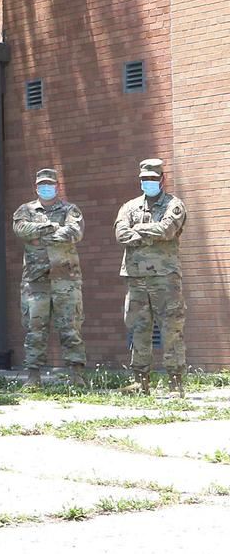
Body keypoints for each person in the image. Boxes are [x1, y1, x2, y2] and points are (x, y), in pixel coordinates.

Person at [114, 158, 187, 395]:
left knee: (171, 328)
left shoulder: (173, 205)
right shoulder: (129, 207)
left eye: (153, 179)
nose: (148, 182)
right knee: (138, 328)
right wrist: (148, 232)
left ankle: (176, 382)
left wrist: (138, 230)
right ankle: (140, 382)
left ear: (162, 179)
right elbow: (120, 234)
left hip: (164, 278)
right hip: (136, 279)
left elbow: (167, 230)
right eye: (144, 179)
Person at [12, 168, 86, 387]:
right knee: (35, 330)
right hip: (36, 281)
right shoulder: (25, 210)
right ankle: (33, 377)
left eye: (50, 184)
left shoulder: (70, 209)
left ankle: (77, 375)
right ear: (36, 188)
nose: (46, 188)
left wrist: (40, 236)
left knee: (70, 328)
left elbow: (74, 233)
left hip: (66, 279)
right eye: (42, 184)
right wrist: (52, 228)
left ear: (58, 187)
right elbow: (21, 229)